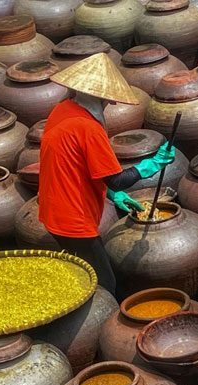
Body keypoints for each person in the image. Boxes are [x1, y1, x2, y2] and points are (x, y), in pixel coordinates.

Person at [38, 53, 175, 293]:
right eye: (108, 99)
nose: (111, 104)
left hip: (53, 211)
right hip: (73, 219)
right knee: (103, 285)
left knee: (81, 274)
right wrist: (151, 165)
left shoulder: (61, 110)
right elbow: (117, 178)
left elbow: (82, 166)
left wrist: (113, 195)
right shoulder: (89, 128)